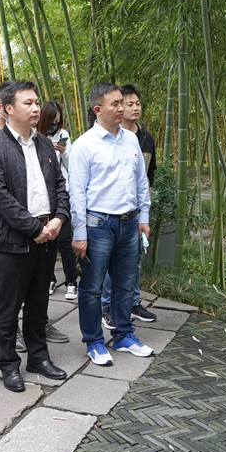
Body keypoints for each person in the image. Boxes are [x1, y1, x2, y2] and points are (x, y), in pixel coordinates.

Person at [0, 81, 70, 392]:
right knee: (7, 307)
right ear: (8, 108)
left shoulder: (45, 144)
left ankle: (38, 357)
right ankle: (8, 364)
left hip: (48, 233)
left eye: (36, 102)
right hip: (13, 241)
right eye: (28, 103)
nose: (36, 108)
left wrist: (59, 218)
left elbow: (60, 185)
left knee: (38, 303)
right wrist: (35, 229)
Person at [68, 81, 154, 366]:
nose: (122, 108)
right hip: (98, 225)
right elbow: (76, 193)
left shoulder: (131, 139)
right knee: (92, 287)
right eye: (115, 104)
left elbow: (141, 181)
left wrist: (143, 217)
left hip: (129, 224)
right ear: (98, 109)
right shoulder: (84, 145)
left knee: (125, 284)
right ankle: (94, 341)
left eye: (122, 102)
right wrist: (79, 233)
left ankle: (123, 336)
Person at [101, 84, 157, 328]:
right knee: (108, 262)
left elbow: (148, 177)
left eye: (137, 104)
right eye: (128, 104)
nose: (135, 108)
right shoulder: (106, 136)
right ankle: (106, 307)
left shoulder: (145, 138)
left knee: (133, 260)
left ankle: (132, 303)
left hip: (135, 209)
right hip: (109, 211)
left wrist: (145, 211)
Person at [37, 100, 78, 300]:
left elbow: (72, 165)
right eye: (51, 122)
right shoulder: (35, 136)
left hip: (62, 192)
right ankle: (49, 279)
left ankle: (71, 281)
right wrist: (47, 148)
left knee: (64, 239)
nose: (54, 126)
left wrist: (64, 151)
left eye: (57, 122)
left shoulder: (64, 135)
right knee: (47, 241)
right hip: (43, 194)